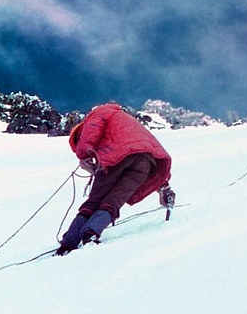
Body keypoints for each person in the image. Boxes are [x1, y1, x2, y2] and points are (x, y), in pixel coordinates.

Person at [56, 103, 174, 256]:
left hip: (116, 157)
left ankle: (69, 242)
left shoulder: (99, 113)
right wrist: (164, 186)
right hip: (146, 163)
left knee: (94, 201)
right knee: (114, 201)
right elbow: (150, 149)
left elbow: (92, 130)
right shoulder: (127, 120)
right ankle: (90, 234)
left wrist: (85, 154)